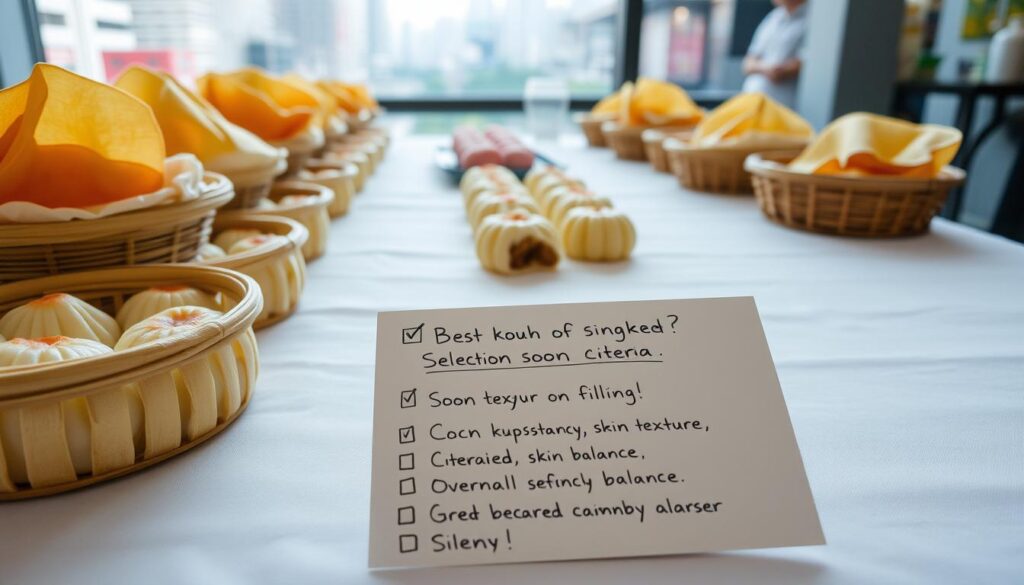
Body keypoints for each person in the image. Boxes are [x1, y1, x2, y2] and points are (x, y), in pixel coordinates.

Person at [742, 0, 808, 108]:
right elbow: (747, 64)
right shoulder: (773, 17)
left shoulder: (811, 19)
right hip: (752, 105)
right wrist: (765, 68)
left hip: (782, 108)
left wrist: (779, 70)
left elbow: (803, 63)